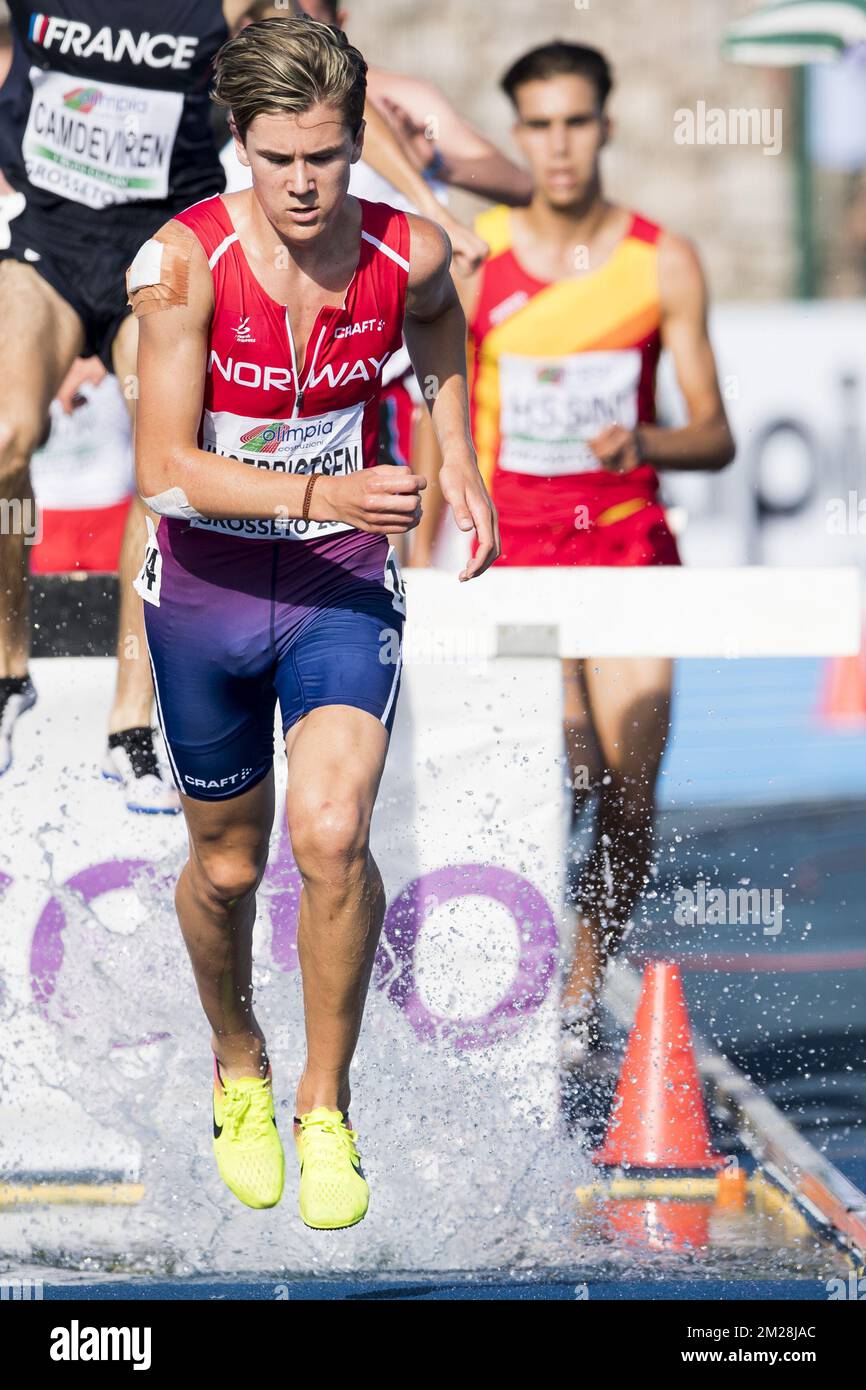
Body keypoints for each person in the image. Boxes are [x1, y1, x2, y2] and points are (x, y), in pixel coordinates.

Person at [128, 15, 499, 1225]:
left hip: (339, 578)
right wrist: (316, 487)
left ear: (354, 145)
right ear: (239, 144)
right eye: (279, 157)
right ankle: (237, 1059)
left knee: (332, 831)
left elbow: (438, 324)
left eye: (328, 157)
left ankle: (324, 1102)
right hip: (206, 592)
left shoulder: (407, 249)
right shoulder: (180, 264)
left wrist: (457, 464)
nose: (303, 184)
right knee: (228, 866)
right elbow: (164, 474)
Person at [0, 0, 487, 803]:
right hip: (50, 241)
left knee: (164, 451)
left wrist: (431, 209)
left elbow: (328, 70)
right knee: (8, 437)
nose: (304, 181)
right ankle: (9, 672)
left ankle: (130, 725)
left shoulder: (223, 6)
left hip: (163, 243)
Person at [410, 42, 735, 1076]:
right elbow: (436, 420)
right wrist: (420, 559)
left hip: (629, 550)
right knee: (562, 769)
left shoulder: (659, 260)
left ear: (604, 126)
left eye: (576, 122)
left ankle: (578, 989)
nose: (558, 145)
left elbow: (715, 431)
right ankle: (510, 971)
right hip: (511, 555)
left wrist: (641, 442)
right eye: (538, 126)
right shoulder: (475, 255)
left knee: (631, 792)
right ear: (515, 136)